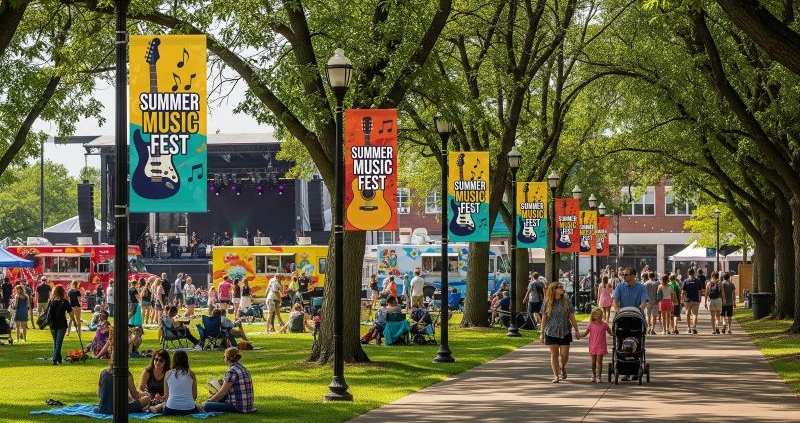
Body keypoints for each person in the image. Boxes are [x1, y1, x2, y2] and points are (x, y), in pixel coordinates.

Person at [539, 282, 580, 383]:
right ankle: (556, 375)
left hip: (565, 330)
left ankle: (562, 367)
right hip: (551, 331)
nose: (562, 288)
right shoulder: (547, 301)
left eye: (562, 287)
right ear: (554, 289)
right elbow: (544, 318)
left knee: (564, 355)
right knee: (555, 354)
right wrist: (542, 332)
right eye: (560, 287)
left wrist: (576, 329)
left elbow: (571, 316)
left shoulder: (566, 300)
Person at [201, 347, 254, 413]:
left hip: (237, 407)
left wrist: (208, 401)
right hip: (248, 406)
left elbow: (223, 392)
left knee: (206, 405)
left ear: (227, 358)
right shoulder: (243, 368)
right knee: (215, 399)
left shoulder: (232, 371)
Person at [160, 350, 198, 415]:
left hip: (170, 409)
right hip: (189, 409)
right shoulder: (191, 374)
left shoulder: (168, 374)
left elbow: (166, 396)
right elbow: (194, 396)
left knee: (162, 405)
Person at [579, 308, 612, 383]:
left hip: (601, 346)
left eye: (600, 315)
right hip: (593, 346)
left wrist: (616, 333)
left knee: (599, 362)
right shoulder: (590, 325)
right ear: (593, 316)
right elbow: (585, 333)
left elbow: (610, 333)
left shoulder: (604, 325)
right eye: (597, 315)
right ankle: (593, 375)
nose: (599, 316)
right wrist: (579, 335)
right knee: (593, 362)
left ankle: (599, 377)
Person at [48, 285, 78, 365]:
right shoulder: (64, 301)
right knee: (58, 342)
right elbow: (70, 312)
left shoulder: (51, 301)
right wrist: (74, 321)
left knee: (56, 342)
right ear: (62, 292)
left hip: (52, 324)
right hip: (62, 324)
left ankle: (59, 359)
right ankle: (55, 358)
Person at [681, 268, 702, 334]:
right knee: (695, 314)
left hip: (688, 300)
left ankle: (688, 328)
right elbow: (700, 291)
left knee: (687, 314)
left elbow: (683, 292)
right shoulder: (697, 281)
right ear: (694, 273)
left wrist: (682, 299)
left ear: (688, 273)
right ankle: (694, 328)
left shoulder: (685, 281)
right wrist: (700, 299)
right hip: (695, 300)